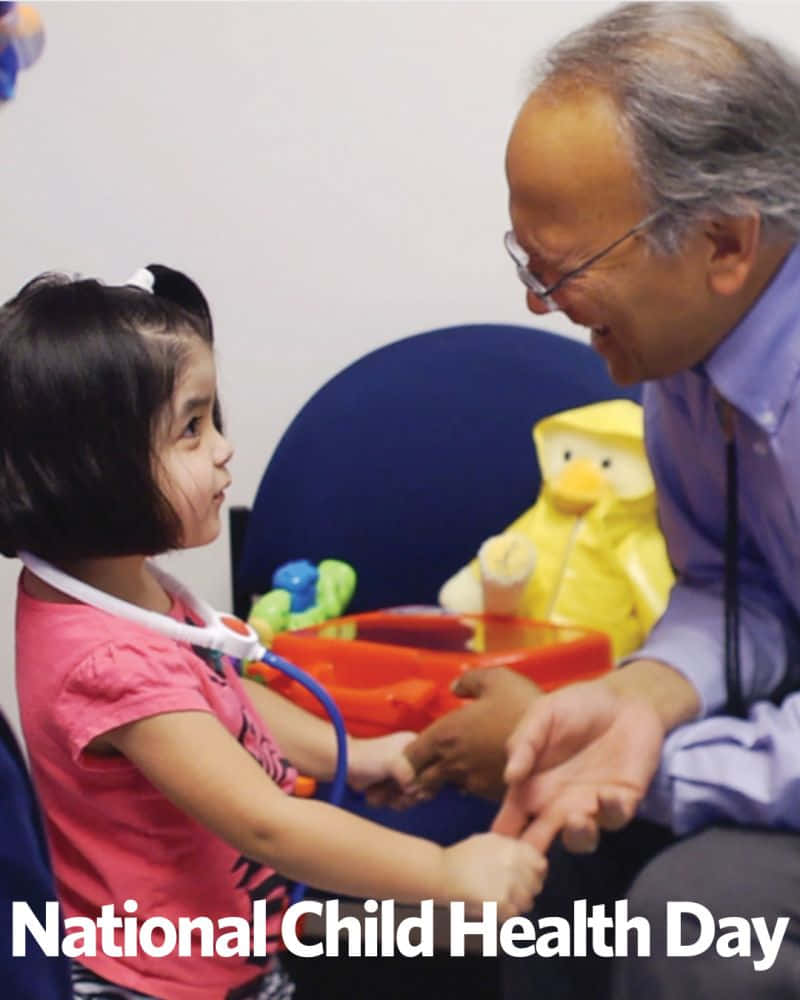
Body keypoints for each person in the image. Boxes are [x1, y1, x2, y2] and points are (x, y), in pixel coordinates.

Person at [0, 265, 546, 1000]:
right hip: (166, 984)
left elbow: (226, 701)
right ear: (94, 471)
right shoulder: (108, 657)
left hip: (235, 942)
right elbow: (268, 829)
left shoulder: (121, 586)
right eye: (190, 429)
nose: (223, 446)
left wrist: (368, 752)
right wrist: (447, 876)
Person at [404, 3, 800, 997]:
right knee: (543, 865)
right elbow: (730, 587)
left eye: (565, 270)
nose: (541, 306)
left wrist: (656, 771)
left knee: (702, 915)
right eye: (526, 263)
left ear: (722, 242)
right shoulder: (683, 359)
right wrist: (635, 697)